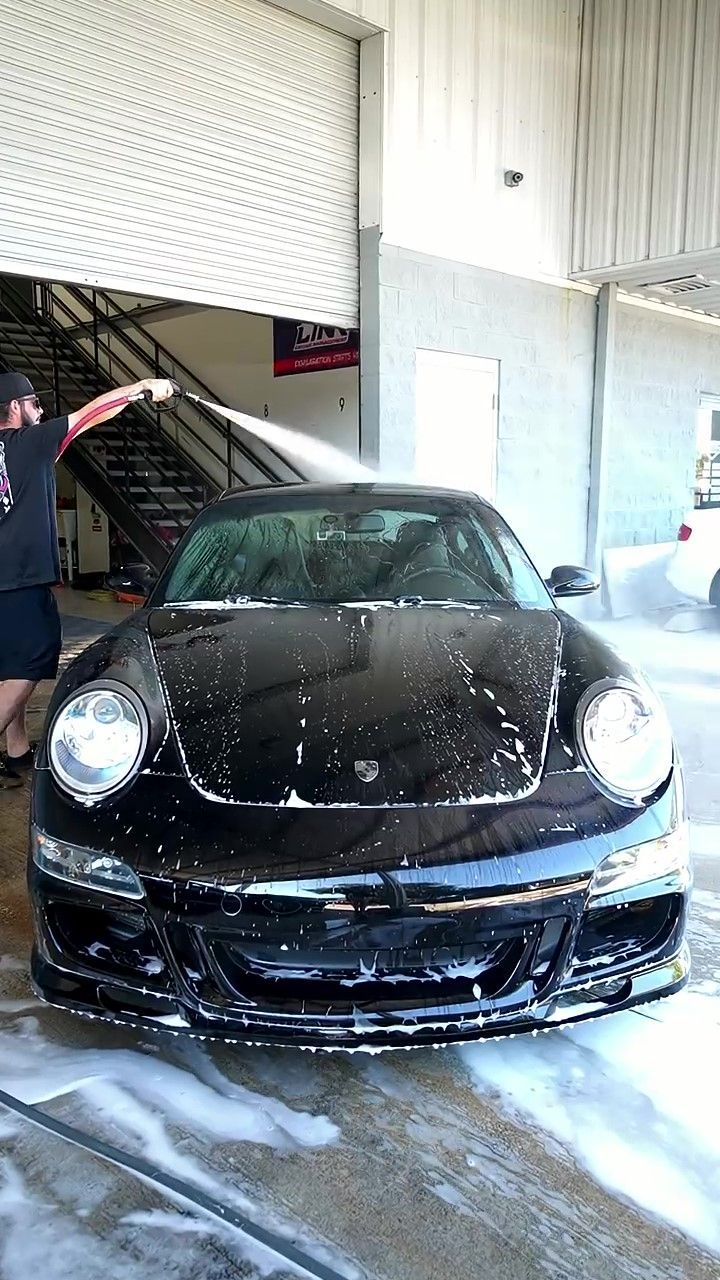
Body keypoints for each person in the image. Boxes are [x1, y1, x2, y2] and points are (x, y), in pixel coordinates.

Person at [0, 370, 175, 790]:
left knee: (8, 665)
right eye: (35, 405)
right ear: (14, 408)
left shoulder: (22, 452)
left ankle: (17, 750)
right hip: (19, 579)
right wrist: (142, 388)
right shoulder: (31, 443)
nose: (40, 412)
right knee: (32, 660)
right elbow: (90, 415)